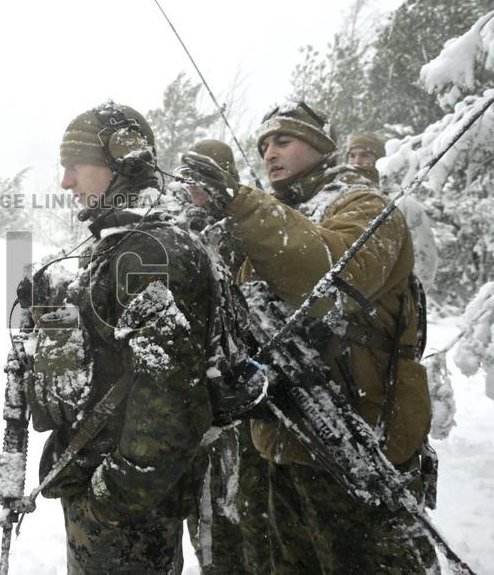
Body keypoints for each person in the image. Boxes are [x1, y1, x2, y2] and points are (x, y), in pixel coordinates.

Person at [180, 101, 436, 573]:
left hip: (360, 443)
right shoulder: (271, 216)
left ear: (320, 148)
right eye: (262, 146)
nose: (269, 153)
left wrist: (240, 202)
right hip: (284, 446)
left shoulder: (366, 207)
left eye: (283, 141)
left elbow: (327, 277)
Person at [25, 102, 251, 574]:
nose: (64, 182)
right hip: (119, 497)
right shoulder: (128, 242)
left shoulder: (148, 250)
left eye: (73, 166)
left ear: (121, 161)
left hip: (127, 513)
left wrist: (110, 497)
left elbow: (169, 401)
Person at [181, 139, 273, 575]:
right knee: (205, 523)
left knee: (243, 517)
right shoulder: (178, 234)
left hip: (243, 410)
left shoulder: (245, 230)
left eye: (203, 178)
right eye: (188, 179)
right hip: (196, 405)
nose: (193, 189)